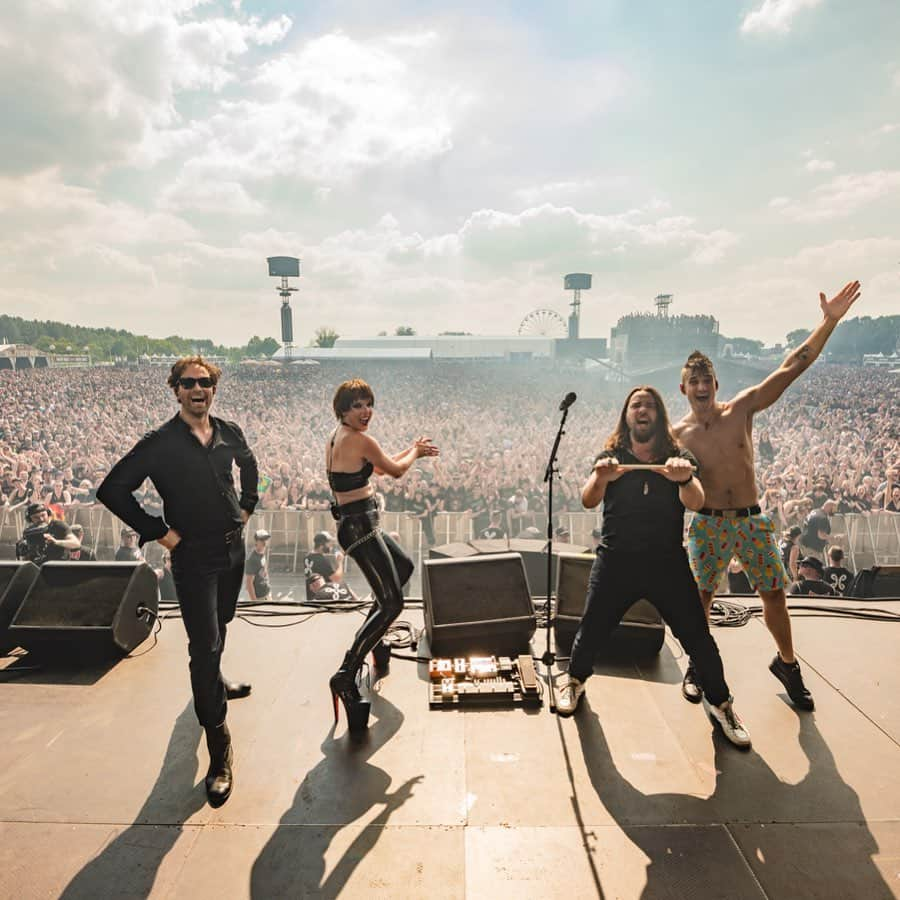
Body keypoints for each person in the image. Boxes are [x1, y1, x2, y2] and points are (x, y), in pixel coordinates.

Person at [675, 281, 860, 712]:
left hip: (751, 519)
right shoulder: (677, 435)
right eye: (693, 381)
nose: (701, 386)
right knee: (701, 596)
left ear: (716, 384)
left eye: (706, 379)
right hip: (708, 522)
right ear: (683, 388)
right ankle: (698, 664)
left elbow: (791, 366)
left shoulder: (740, 409)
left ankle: (788, 663)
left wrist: (827, 322)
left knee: (773, 593)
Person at [96, 356, 258, 807]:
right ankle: (220, 748)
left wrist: (248, 506)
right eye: (188, 383)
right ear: (175, 389)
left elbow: (249, 465)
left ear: (213, 388)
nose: (197, 389)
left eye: (204, 383)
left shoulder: (228, 431)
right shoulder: (160, 444)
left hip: (231, 548)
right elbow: (111, 490)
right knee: (202, 647)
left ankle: (216, 680)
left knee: (221, 623)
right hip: (192, 556)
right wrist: (160, 533)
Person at [556, 386, 750, 749]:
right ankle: (574, 680)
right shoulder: (611, 455)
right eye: (635, 405)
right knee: (592, 629)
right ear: (627, 415)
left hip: (666, 563)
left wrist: (685, 478)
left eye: (649, 405)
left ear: (659, 415)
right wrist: (601, 476)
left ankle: (722, 704)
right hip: (617, 560)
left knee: (698, 638)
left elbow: (697, 501)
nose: (642, 410)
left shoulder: (678, 456)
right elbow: (587, 499)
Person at [326, 378, 439, 734]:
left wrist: (408, 451)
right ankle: (346, 672)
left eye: (368, 404)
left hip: (361, 525)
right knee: (392, 604)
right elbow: (396, 470)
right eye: (357, 405)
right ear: (343, 410)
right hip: (359, 528)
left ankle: (376, 641)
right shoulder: (359, 439)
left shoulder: (342, 437)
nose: (365, 411)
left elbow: (376, 468)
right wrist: (415, 451)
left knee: (402, 568)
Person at [16, 502, 80, 564]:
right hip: (38, 567)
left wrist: (56, 542)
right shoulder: (29, 532)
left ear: (48, 514)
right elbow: (24, 559)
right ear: (30, 519)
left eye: (43, 515)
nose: (41, 519)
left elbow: (76, 543)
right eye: (36, 517)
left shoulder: (58, 525)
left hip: (58, 565)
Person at [303, 530, 344, 601]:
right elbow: (336, 578)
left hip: (311, 597)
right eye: (329, 544)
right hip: (323, 598)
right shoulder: (322, 560)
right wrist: (340, 562)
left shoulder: (307, 557)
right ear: (321, 546)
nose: (331, 546)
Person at [244, 529, 272, 603]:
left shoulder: (262, 553)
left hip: (267, 594)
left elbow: (264, 569)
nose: (264, 542)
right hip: (260, 598)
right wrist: (255, 602)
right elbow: (249, 583)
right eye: (262, 540)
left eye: (266, 539)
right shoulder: (251, 560)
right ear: (256, 541)